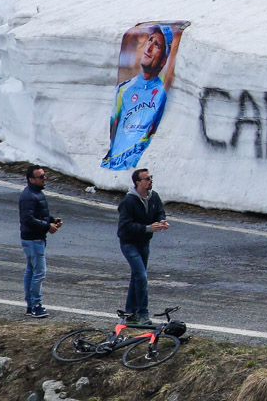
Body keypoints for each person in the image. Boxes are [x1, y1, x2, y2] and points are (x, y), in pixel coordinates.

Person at [102, 24, 172, 171]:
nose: (149, 47)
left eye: (157, 45)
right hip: (117, 160)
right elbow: (114, 123)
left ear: (164, 60)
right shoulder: (124, 88)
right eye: (150, 40)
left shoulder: (161, 94)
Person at [117, 167, 170, 325]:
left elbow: (159, 211)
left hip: (144, 242)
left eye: (151, 177)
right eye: (147, 179)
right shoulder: (128, 201)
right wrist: (147, 228)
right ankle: (143, 313)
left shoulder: (154, 196)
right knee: (141, 276)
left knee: (137, 277)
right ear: (138, 183)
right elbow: (125, 226)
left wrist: (161, 221)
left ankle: (129, 313)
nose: (150, 180)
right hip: (129, 243)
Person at [19, 164, 62, 317]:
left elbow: (37, 215)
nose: (45, 179)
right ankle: (36, 305)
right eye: (41, 177)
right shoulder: (29, 196)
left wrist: (51, 220)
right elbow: (28, 219)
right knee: (39, 273)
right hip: (33, 240)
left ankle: (31, 305)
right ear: (31, 179)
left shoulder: (35, 193)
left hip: (34, 238)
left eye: (44, 175)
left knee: (31, 271)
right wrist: (47, 226)